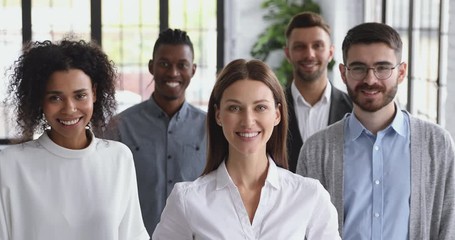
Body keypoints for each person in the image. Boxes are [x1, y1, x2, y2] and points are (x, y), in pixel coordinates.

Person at [296, 22, 455, 239]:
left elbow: (450, 225)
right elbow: (303, 230)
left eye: (382, 68)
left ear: (401, 72)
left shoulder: (436, 144)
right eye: (359, 68)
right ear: (343, 73)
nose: (370, 80)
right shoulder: (316, 150)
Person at [153, 59, 341, 239]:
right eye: (234, 108)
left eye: (260, 107)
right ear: (218, 115)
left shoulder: (309, 195)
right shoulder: (187, 200)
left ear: (277, 114)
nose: (248, 121)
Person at [0, 39, 149, 239]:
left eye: (80, 96)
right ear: (40, 99)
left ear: (94, 93)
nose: (69, 108)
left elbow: (132, 235)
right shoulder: (9, 164)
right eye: (55, 97)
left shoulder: (119, 158)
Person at [100, 28, 206, 235]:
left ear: (193, 70)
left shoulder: (211, 128)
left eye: (182, 65)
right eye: (164, 64)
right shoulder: (119, 126)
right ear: (151, 67)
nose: (173, 73)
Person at [284, 12, 352, 172]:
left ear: (330, 52)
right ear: (288, 53)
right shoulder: (271, 107)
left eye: (318, 45)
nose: (309, 54)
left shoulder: (354, 109)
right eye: (300, 46)